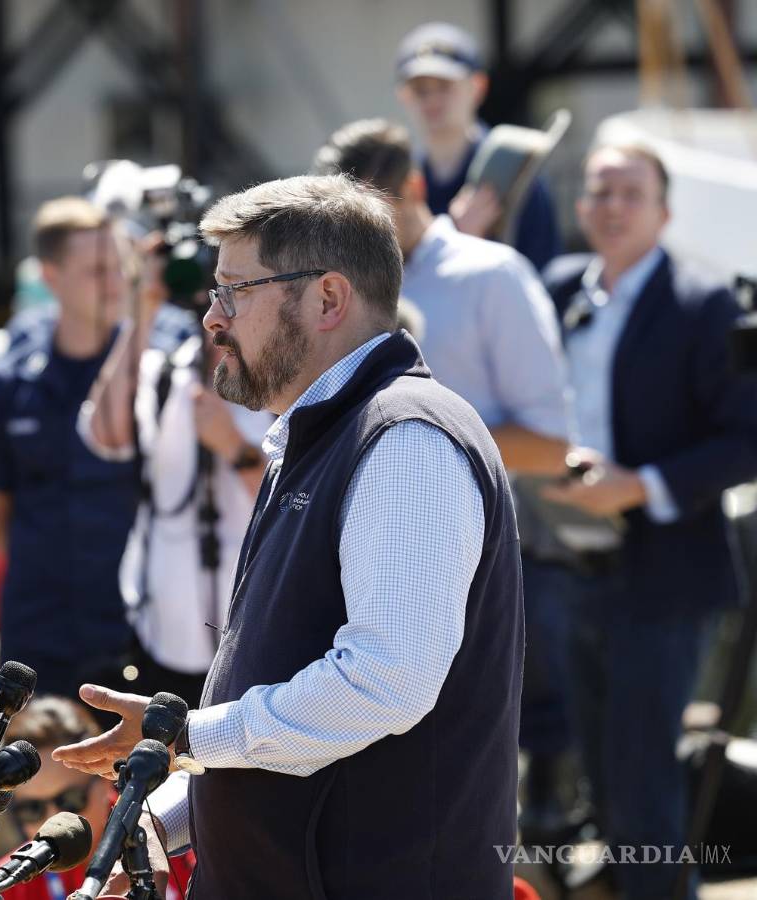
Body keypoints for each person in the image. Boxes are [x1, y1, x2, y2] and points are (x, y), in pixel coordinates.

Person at [54, 174, 524, 898]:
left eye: (233, 292)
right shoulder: (323, 436)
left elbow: (385, 683)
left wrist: (188, 739)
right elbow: (285, 696)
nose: (212, 318)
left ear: (327, 298)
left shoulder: (406, 439)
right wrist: (167, 818)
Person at [314, 118, 578, 831]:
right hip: (361, 566)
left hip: (495, 567)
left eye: (370, 213)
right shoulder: (337, 289)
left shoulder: (492, 276)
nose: (353, 233)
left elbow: (554, 444)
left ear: (417, 189)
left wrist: (416, 435)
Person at [541, 143, 757, 897]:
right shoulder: (562, 286)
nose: (611, 206)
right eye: (599, 191)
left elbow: (747, 437)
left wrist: (642, 486)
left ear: (663, 211)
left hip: (666, 573)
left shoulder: (703, 302)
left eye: (630, 193)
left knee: (643, 793)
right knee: (599, 784)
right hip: (572, 561)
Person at [0, 198, 137, 701]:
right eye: (97, 271)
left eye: (122, 268)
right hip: (40, 625)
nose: (115, 283)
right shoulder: (5, 387)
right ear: (51, 277)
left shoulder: (154, 371)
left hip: (140, 626)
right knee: (32, 771)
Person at [79, 240, 271, 704]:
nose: (214, 311)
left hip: (252, 636)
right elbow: (104, 434)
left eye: (229, 290)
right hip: (159, 634)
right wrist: (142, 307)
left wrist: (235, 449)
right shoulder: (166, 373)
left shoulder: (277, 380)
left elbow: (301, 503)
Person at [395, 21, 561, 273]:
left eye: (444, 85)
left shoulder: (516, 170)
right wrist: (459, 239)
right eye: (420, 90)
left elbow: (540, 279)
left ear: (478, 87)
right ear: (404, 96)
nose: (432, 100)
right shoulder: (398, 183)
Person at [0, 694, 193, 900]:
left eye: (70, 799)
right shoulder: (4, 883)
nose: (53, 818)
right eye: (32, 809)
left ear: (105, 778)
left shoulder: (184, 840)